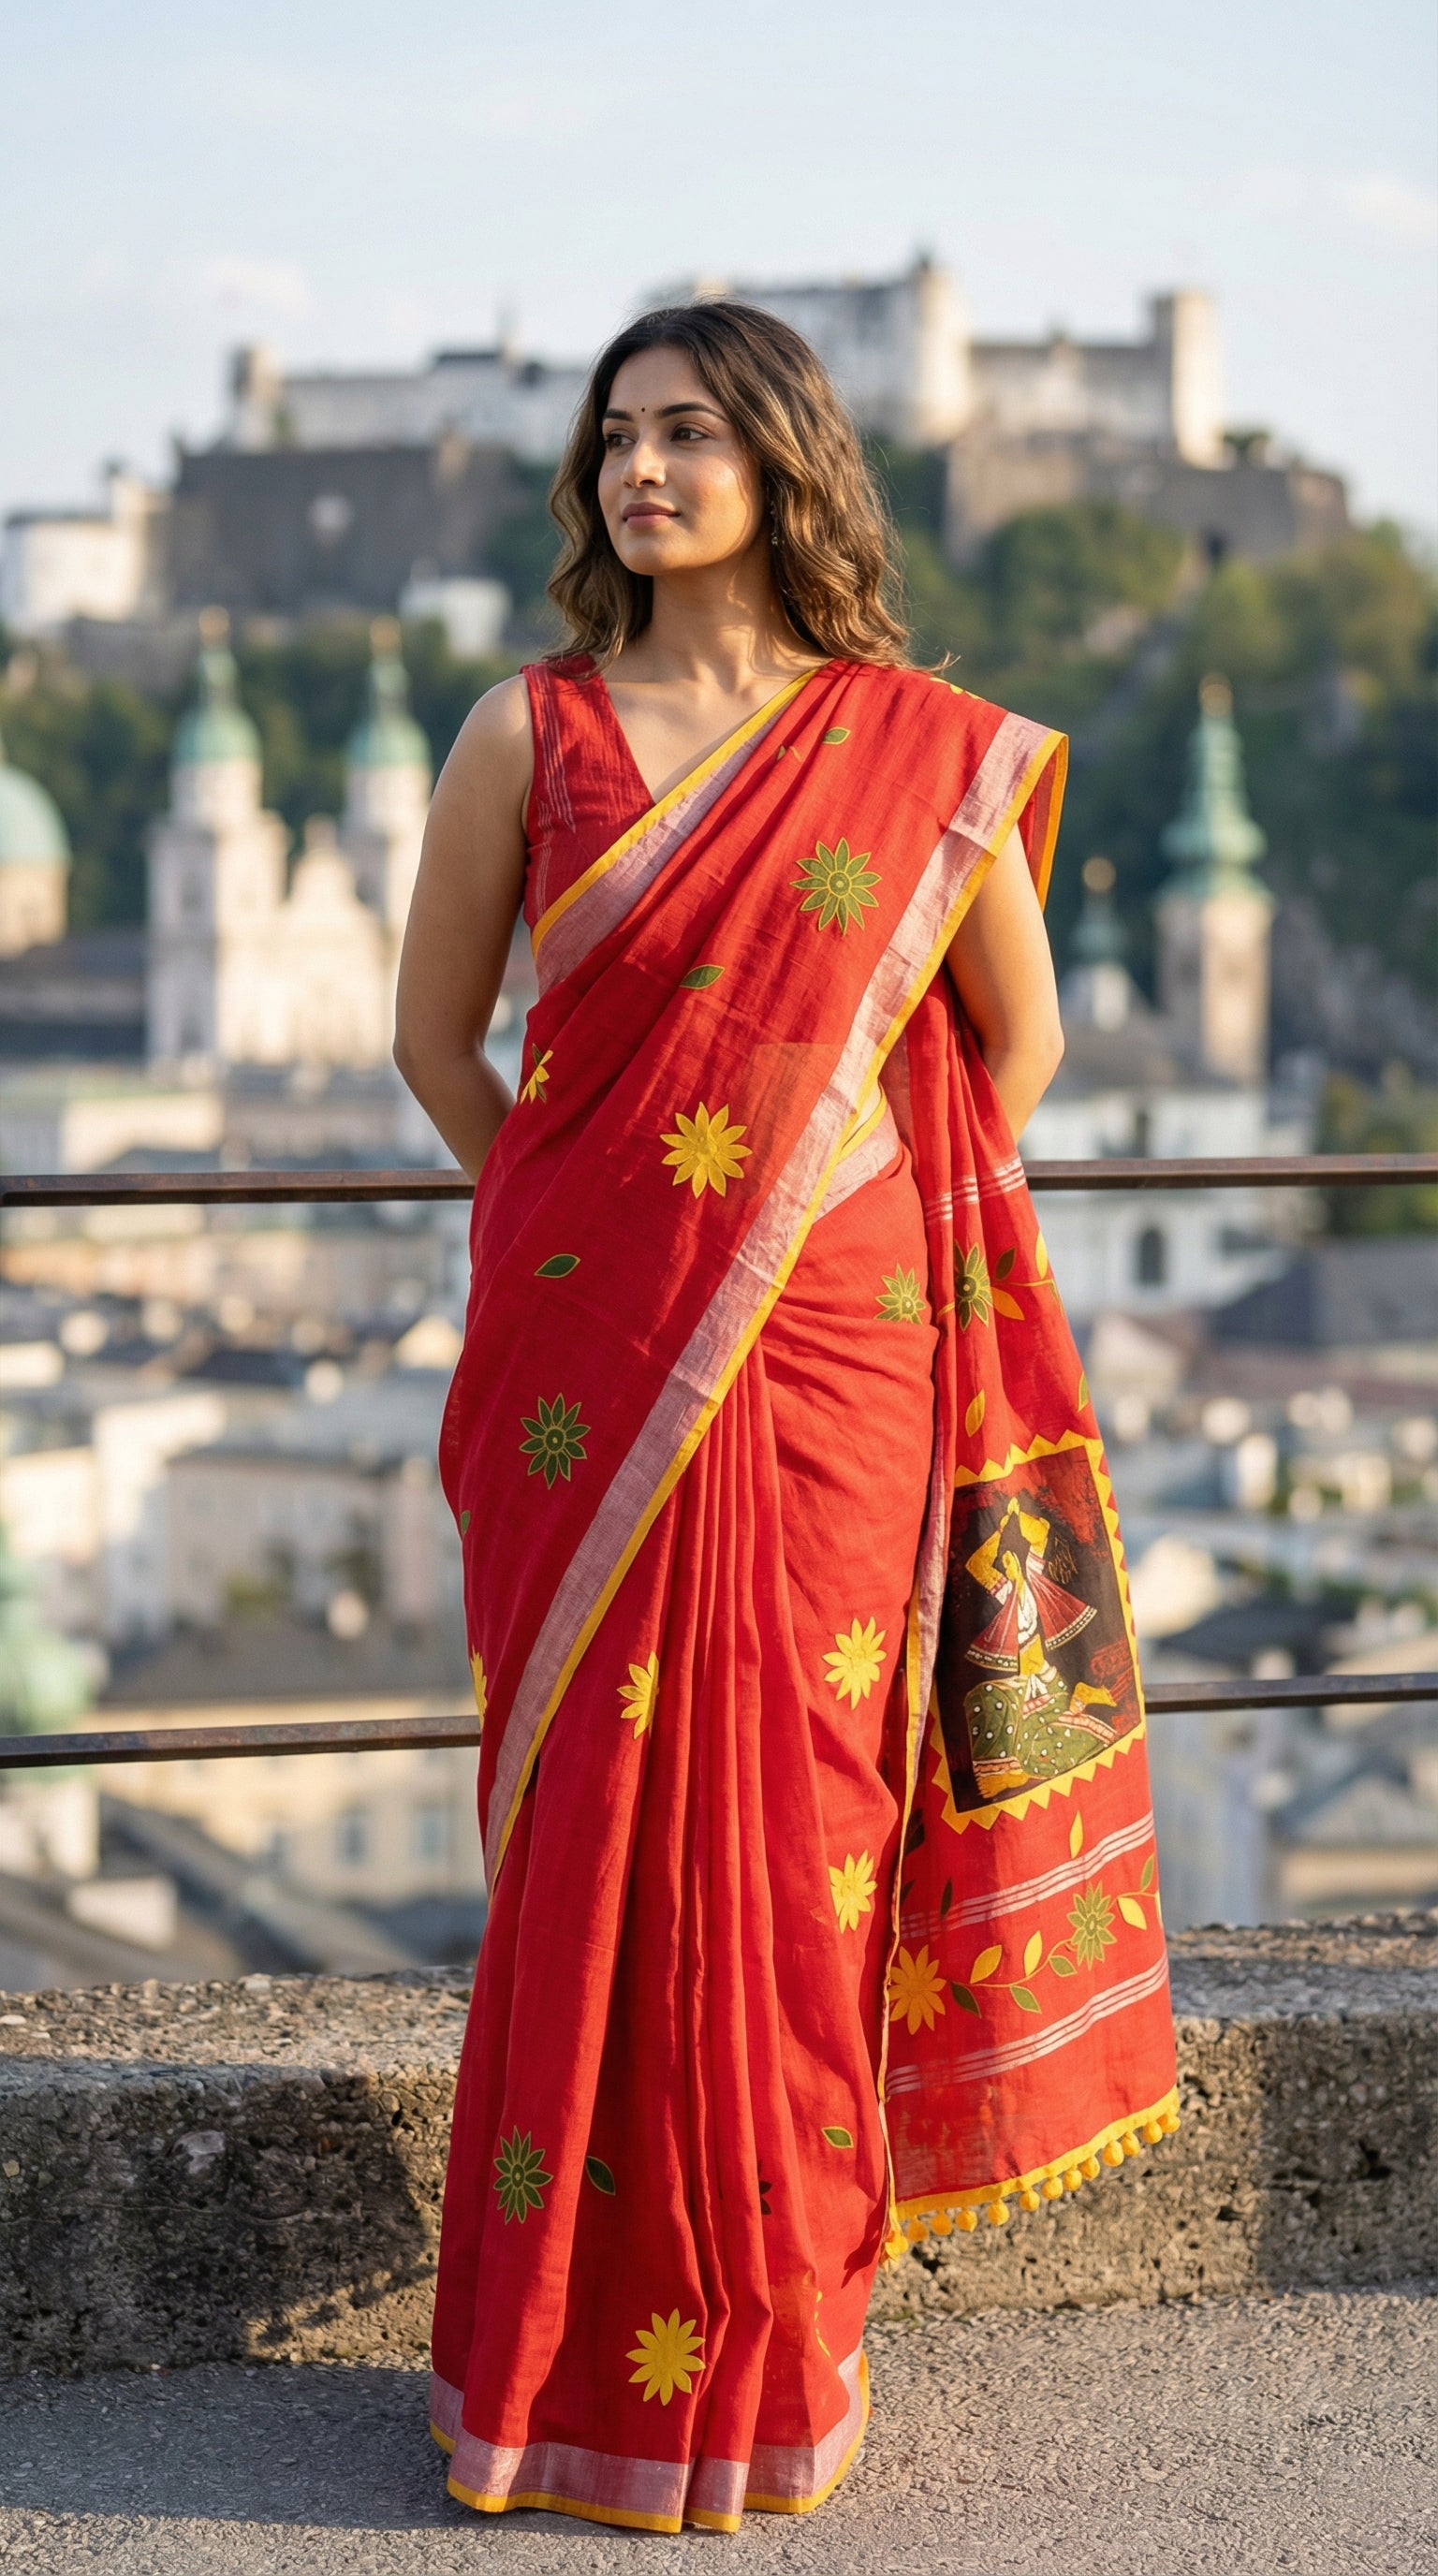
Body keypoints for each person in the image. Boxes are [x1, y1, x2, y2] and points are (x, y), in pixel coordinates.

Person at [394, 300, 1178, 2538]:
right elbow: (441, 1041)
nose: (643, 471)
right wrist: (587, 1223)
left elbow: (1008, 1051)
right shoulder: (521, 734)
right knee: (583, 1840)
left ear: (784, 466)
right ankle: (552, 2373)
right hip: (581, 1364)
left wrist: (845, 1211)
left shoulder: (914, 751)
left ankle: (772, 2356)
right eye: (616, 437)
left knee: (802, 1834)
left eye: (691, 434)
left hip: (836, 1360)